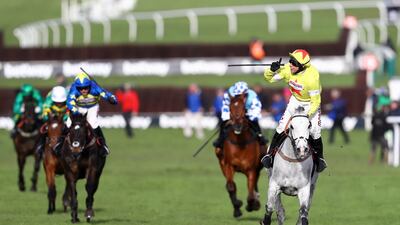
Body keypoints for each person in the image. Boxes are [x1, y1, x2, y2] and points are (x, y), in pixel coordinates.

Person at [261, 49, 327, 173]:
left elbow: (316, 102)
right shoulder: (287, 69)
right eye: (291, 61)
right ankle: (269, 156)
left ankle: (319, 159)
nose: (290, 64)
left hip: (310, 104)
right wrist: (271, 70)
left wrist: (305, 116)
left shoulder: (312, 78)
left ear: (302, 66)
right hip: (295, 101)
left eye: (294, 63)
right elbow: (268, 79)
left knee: (315, 131)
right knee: (281, 127)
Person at [54, 72, 118, 156]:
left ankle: (103, 146)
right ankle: (59, 143)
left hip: (92, 107)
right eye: (80, 88)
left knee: (93, 124)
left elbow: (106, 94)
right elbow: (70, 103)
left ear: (89, 85)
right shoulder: (74, 89)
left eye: (85, 87)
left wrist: (113, 99)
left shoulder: (95, 87)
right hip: (78, 107)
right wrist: (76, 112)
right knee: (69, 122)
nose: (83, 90)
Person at [213, 81, 268, 149]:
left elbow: (256, 110)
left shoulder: (252, 96)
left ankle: (260, 137)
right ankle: (220, 139)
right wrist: (227, 117)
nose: (239, 97)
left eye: (241, 95)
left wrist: (249, 115)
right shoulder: (228, 95)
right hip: (233, 113)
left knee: (255, 123)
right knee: (223, 124)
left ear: (246, 93)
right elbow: (225, 107)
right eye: (237, 95)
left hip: (249, 111)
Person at [35, 86, 69, 156]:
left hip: (65, 115)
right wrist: (48, 118)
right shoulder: (49, 98)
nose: (59, 104)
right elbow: (45, 111)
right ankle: (40, 146)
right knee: (43, 129)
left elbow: (71, 110)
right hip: (53, 116)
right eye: (57, 102)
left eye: (61, 102)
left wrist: (65, 118)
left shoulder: (69, 97)